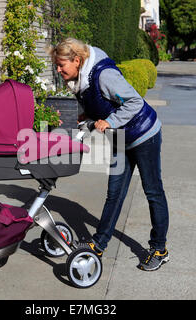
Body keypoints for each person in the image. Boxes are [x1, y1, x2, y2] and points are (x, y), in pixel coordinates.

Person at [49, 38, 169, 271]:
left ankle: (159, 249)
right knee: (114, 193)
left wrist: (110, 121)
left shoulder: (103, 76)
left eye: (62, 64)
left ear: (77, 60)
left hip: (144, 135)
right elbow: (104, 103)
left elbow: (134, 101)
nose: (58, 69)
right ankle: (99, 244)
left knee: (153, 191)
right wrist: (89, 116)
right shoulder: (79, 81)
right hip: (120, 139)